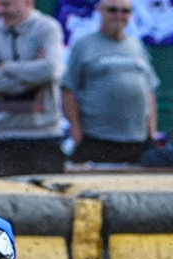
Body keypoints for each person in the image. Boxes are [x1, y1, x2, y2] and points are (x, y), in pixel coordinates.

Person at [0, 0, 66, 177]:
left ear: (27, 3)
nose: (1, 11)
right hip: (1, 135)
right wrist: (33, 75)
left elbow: (50, 70)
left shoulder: (47, 28)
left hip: (42, 135)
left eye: (7, 5)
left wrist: (7, 67)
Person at [63, 0, 158, 162]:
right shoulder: (84, 45)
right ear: (100, 11)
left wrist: (151, 132)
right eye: (112, 10)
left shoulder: (136, 45)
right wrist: (76, 133)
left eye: (125, 11)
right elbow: (68, 90)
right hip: (97, 139)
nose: (119, 15)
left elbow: (149, 90)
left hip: (137, 140)